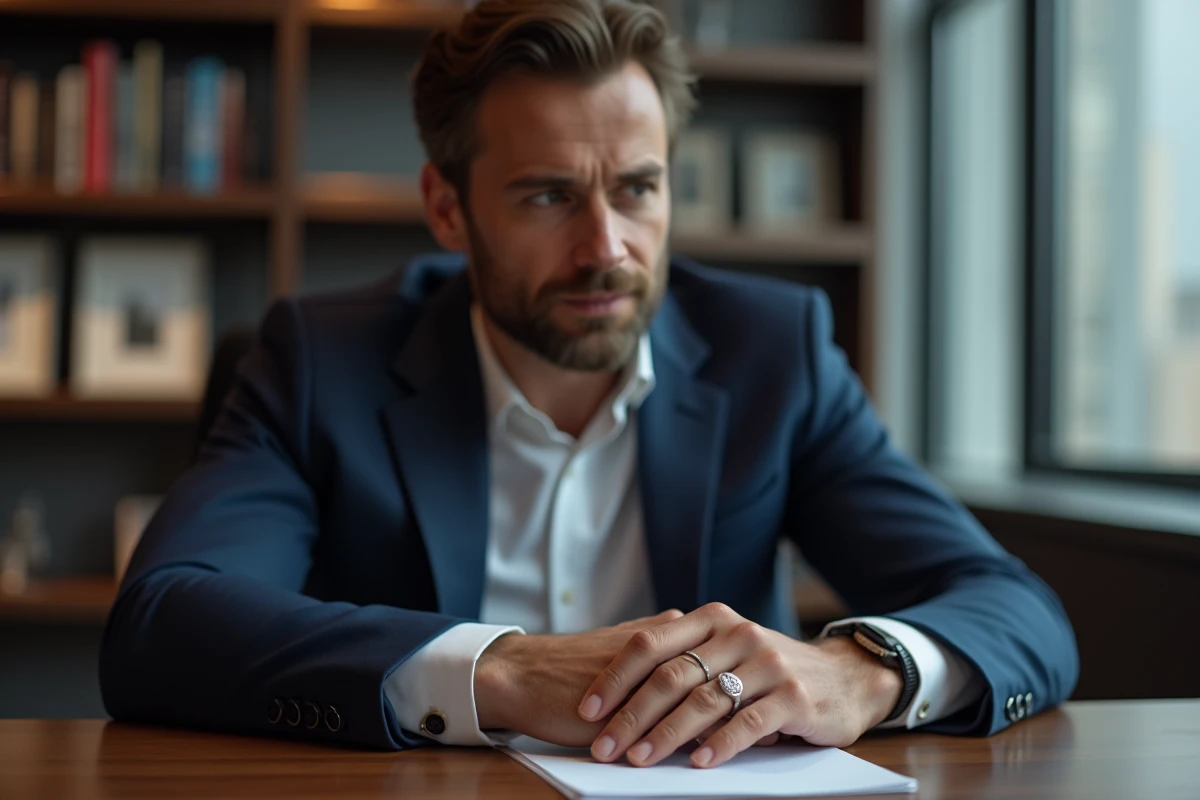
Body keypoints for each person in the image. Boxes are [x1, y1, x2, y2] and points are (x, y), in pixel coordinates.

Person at [99, 0, 1078, 770]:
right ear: (447, 206)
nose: (605, 247)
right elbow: (162, 620)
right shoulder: (322, 361)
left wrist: (859, 672)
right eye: (548, 194)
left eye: (637, 188)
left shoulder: (773, 352)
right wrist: (503, 669)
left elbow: (1015, 606)